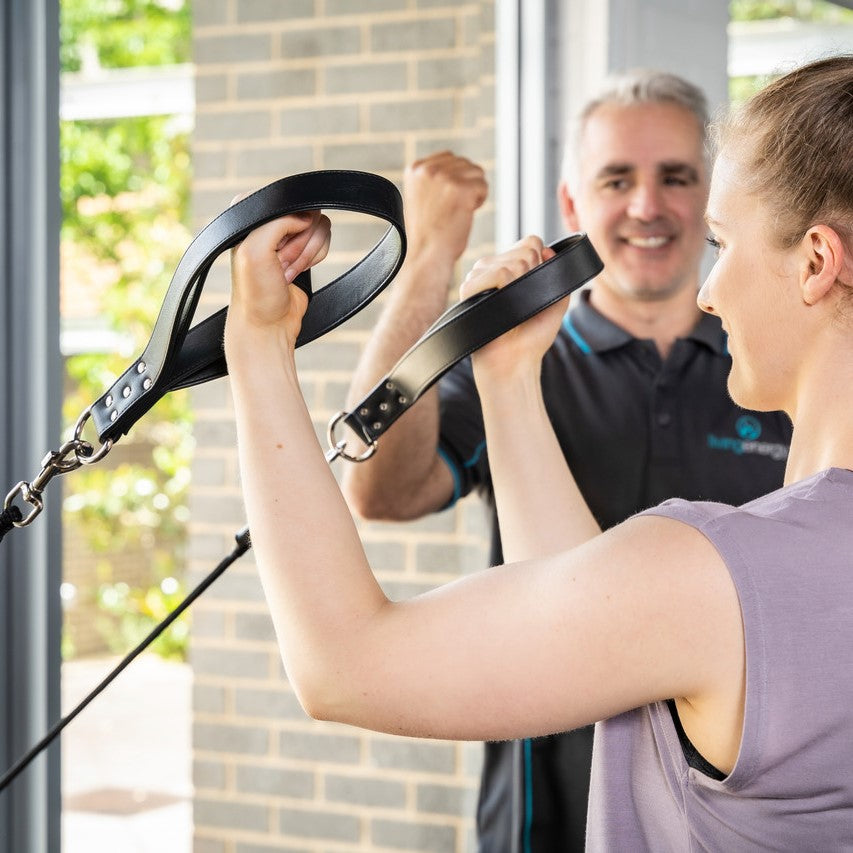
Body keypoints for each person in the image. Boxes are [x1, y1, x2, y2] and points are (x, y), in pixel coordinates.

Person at [225, 54, 853, 849]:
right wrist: (510, 381)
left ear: (814, 262)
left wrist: (255, 344)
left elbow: (340, 664)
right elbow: (612, 616)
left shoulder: (719, 568)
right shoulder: (741, 578)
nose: (709, 287)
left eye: (723, 242)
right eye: (616, 180)